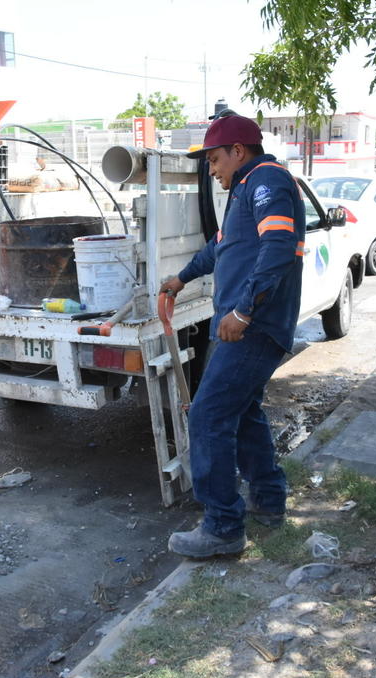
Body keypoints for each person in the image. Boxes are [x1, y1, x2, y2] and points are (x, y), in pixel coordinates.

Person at [163, 114, 305, 558]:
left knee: (207, 417)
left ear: (238, 151)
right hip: (251, 323)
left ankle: (223, 525)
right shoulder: (246, 190)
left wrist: (244, 311)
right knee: (243, 413)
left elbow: (279, 249)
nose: (211, 169)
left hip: (256, 326)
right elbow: (220, 247)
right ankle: (267, 497)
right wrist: (180, 279)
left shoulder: (268, 181)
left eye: (213, 159)